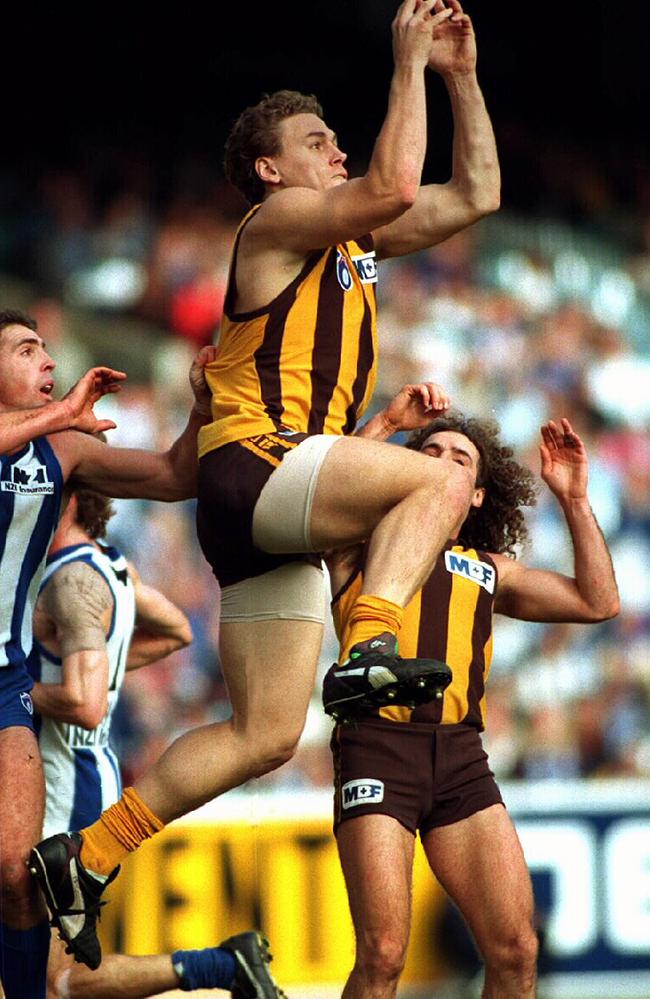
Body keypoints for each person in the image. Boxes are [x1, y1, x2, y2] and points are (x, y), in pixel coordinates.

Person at [31, 0, 500, 972]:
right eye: (315, 139)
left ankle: (89, 855)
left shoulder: (348, 244)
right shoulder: (278, 220)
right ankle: (370, 642)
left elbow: (473, 197)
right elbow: (395, 181)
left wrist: (459, 76)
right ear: (268, 168)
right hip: (261, 466)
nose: (334, 151)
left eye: (335, 138)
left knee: (261, 733)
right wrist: (406, 61)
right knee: (437, 483)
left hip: (262, 499)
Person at [0, 308, 282, 999]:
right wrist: (59, 413)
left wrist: (202, 404)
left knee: (16, 871)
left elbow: (171, 473)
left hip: (5, 680)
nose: (47, 360)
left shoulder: (60, 453)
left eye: (46, 349)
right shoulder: (48, 433)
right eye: (25, 348)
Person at [323, 387, 620, 999]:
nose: (440, 461)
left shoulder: (487, 567)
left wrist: (574, 499)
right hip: (379, 747)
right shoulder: (359, 543)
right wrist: (386, 425)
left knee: (516, 950)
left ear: (478, 493)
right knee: (381, 955)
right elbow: (327, 481)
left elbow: (599, 601)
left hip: (461, 759)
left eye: (460, 459)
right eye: (428, 451)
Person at [29, 483, 278, 999]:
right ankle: (220, 966)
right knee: (51, 977)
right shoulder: (113, 565)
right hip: (88, 772)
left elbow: (85, 702)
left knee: (57, 983)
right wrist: (108, 668)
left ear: (68, 500)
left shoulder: (72, 580)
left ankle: (219, 966)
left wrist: (17, 691)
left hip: (64, 783)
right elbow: (174, 632)